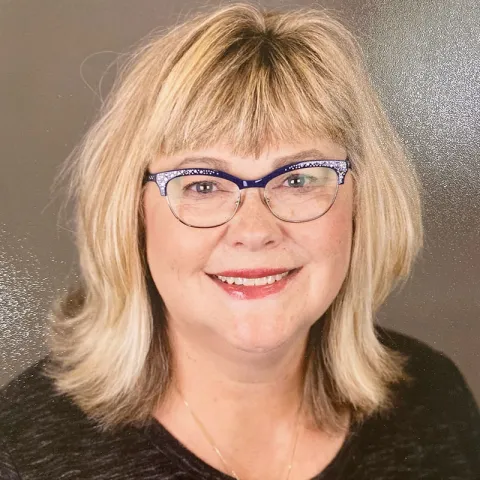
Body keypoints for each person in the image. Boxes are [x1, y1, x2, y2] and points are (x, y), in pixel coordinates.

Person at [0, 3, 479, 479]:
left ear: (364, 203)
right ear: (133, 214)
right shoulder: (24, 450)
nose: (255, 232)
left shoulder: (434, 405)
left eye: (297, 179)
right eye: (203, 185)